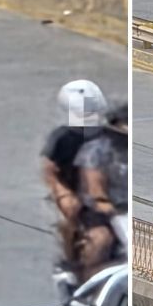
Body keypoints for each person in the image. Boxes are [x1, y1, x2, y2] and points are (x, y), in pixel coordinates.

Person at [40, 80, 108, 274]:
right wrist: (63, 194)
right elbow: (49, 169)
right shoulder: (63, 138)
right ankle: (74, 268)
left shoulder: (103, 137)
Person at [74, 102, 128, 281]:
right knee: (100, 240)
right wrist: (113, 212)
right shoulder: (97, 151)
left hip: (128, 209)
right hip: (101, 210)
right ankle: (88, 284)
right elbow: (95, 190)